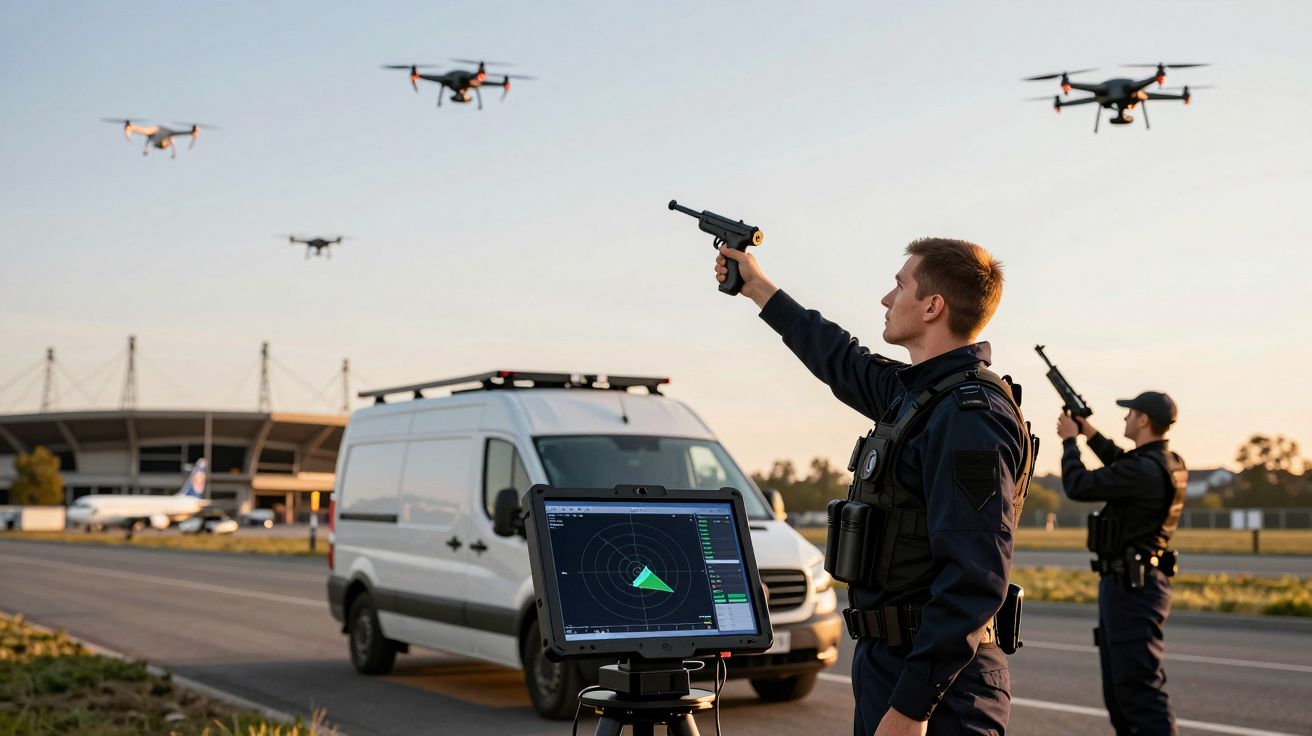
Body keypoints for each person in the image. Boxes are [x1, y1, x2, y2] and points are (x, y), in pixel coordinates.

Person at [716, 238, 1031, 736]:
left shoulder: (971, 419)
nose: (886, 298)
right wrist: (759, 288)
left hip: (942, 688)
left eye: (900, 285)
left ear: (932, 306)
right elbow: (839, 357)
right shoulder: (920, 395)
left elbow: (975, 577)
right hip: (893, 662)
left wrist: (913, 707)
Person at [1056, 391, 1187, 736]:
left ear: (1143, 420)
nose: (1125, 419)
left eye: (1130, 414)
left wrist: (1070, 443)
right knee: (1121, 691)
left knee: (1138, 692)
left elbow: (1078, 485)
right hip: (1134, 584)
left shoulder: (1143, 470)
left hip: (1134, 588)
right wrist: (1089, 433)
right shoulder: (1165, 461)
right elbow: (1121, 461)